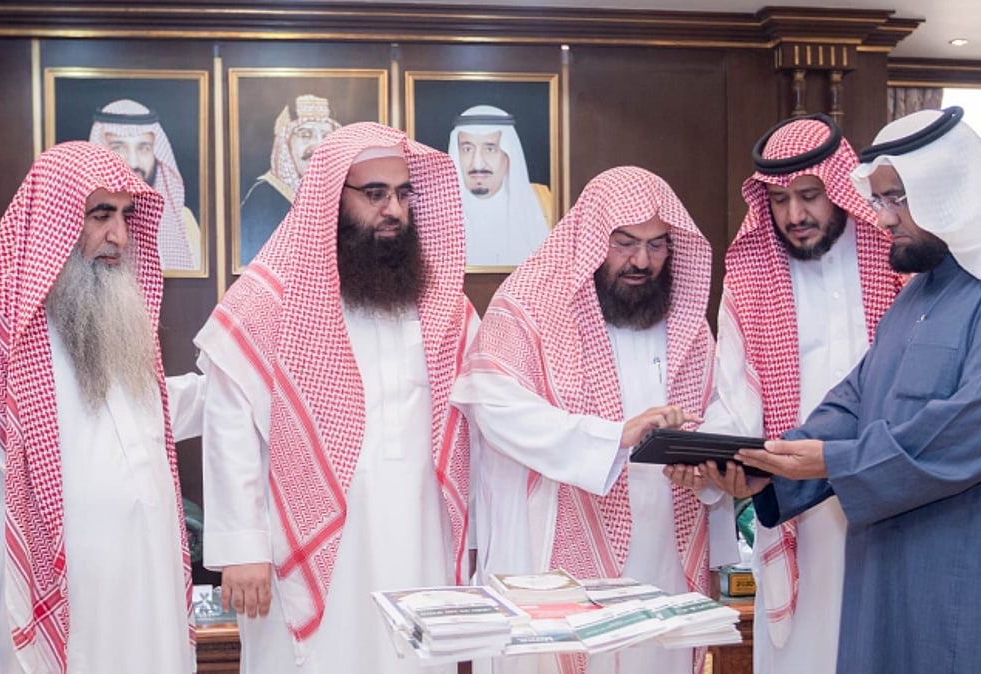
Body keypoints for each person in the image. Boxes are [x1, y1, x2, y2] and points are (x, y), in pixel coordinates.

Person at [725, 107, 981, 673]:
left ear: (952, 190)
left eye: (896, 199)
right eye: (877, 199)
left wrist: (833, 461)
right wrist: (774, 464)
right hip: (907, 578)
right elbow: (859, 397)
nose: (882, 217)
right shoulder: (922, 292)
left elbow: (972, 429)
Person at [0, 141, 206, 674]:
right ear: (53, 218)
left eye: (126, 216)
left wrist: (241, 387)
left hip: (146, 593)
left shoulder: (109, 321)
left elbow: (150, 415)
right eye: (100, 215)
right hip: (43, 603)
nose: (119, 235)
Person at [196, 122, 478, 673]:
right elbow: (229, 423)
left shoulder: (443, 303)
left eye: (403, 194)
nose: (393, 210)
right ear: (332, 198)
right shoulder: (268, 300)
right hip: (305, 543)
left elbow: (477, 418)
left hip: (419, 534)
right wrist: (241, 547)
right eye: (375, 194)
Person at [452, 166, 737, 674]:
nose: (642, 261)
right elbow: (492, 403)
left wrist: (707, 468)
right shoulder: (530, 304)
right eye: (624, 243)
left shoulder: (686, 322)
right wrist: (610, 439)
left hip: (662, 545)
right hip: (555, 541)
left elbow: (718, 409)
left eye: (656, 245)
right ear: (592, 240)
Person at [675, 114, 901, 674]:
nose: (794, 215)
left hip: (893, 494)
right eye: (779, 200)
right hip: (799, 507)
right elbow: (735, 398)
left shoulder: (898, 263)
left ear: (841, 188)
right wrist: (714, 466)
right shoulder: (752, 279)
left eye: (809, 195)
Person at [89, 98, 201, 271]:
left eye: (143, 148)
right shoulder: (80, 220)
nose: (133, 162)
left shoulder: (184, 220)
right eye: (118, 148)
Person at [238, 93, 341, 265]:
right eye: (306, 135)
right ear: (286, 143)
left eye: (326, 136)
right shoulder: (264, 196)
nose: (318, 145)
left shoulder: (343, 195)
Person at [447, 105, 551, 266]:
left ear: (508, 155)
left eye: (490, 149)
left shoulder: (544, 203)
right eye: (467, 149)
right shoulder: (438, 212)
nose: (477, 163)